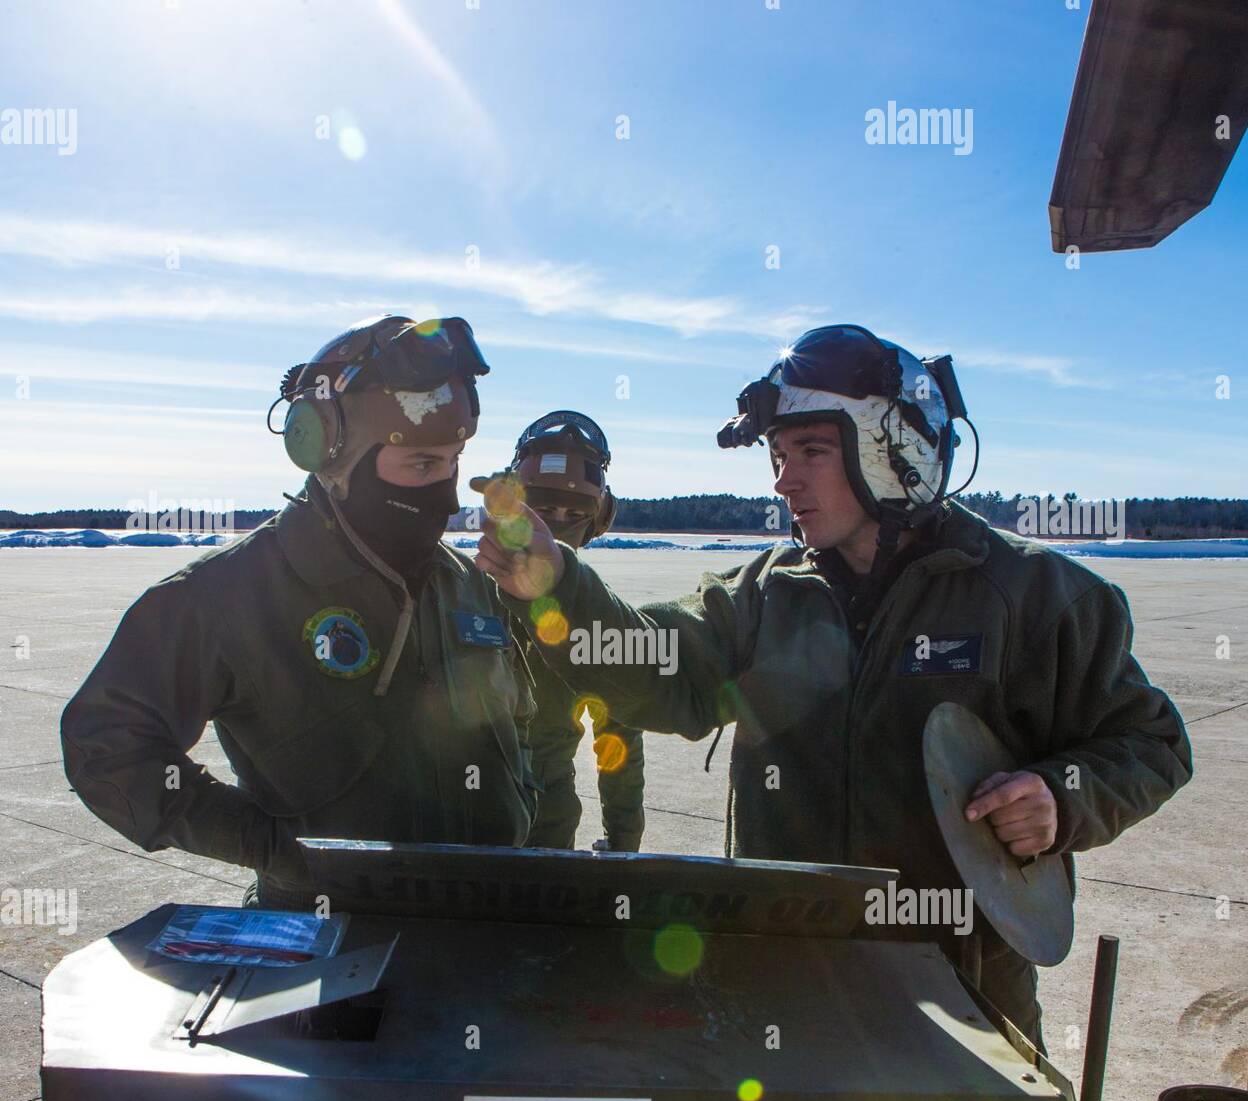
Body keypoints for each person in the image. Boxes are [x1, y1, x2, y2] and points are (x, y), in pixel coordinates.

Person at [471, 324, 1193, 1048]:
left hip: (964, 1001)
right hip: (783, 990)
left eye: (811, 451)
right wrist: (556, 588)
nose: (784, 480)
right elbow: (664, 667)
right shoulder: (762, 595)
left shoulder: (1037, 597)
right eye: (779, 456)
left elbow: (1152, 742)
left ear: (893, 448)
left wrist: (1062, 798)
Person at [61, 314, 540, 909]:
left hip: (486, 924)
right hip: (326, 943)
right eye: (420, 464)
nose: (444, 494)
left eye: (452, 462)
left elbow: (518, 717)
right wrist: (272, 849)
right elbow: (105, 747)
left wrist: (520, 806)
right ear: (331, 454)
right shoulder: (231, 594)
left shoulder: (466, 584)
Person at [502, 411, 644, 852]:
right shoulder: (457, 593)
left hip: (548, 819)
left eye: (573, 514)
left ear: (597, 519)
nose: (557, 526)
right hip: (462, 818)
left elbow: (618, 742)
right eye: (543, 510)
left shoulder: (603, 619)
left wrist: (624, 840)